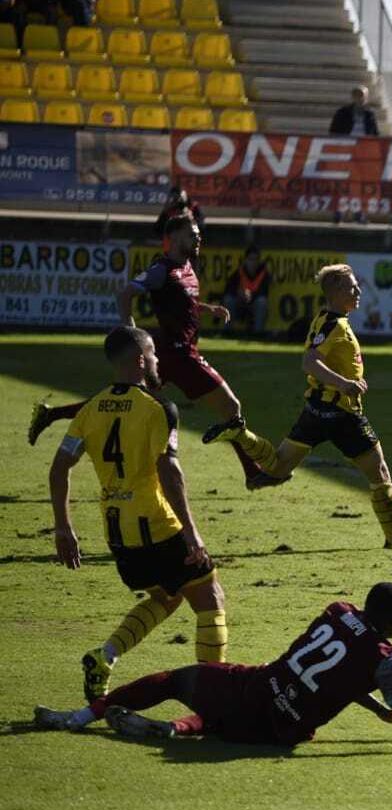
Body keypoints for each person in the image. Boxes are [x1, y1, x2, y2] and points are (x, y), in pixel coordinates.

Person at [35, 583, 392, 751]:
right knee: (227, 726)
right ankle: (177, 731)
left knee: (175, 680)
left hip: (257, 687)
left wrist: (376, 709)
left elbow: (331, 665)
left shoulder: (338, 610)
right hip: (283, 730)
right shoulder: (386, 660)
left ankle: (79, 718)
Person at [47, 326, 228, 705]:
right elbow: (170, 472)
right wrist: (192, 535)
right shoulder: (160, 408)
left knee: (168, 595)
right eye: (154, 354)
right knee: (209, 596)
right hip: (159, 524)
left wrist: (63, 528)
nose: (159, 360)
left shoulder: (90, 408)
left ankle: (105, 656)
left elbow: (60, 466)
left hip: (118, 533)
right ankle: (214, 697)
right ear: (141, 361)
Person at [206, 264, 392, 550]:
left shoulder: (325, 319)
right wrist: (345, 383)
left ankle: (239, 433)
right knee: (379, 473)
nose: (358, 291)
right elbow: (309, 362)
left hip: (315, 410)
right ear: (335, 291)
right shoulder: (333, 324)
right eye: (352, 287)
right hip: (341, 414)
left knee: (277, 467)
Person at [29, 216, 265, 483]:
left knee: (119, 403)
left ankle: (51, 414)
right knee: (230, 407)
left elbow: (183, 302)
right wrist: (131, 333)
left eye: (198, 234)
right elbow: (125, 294)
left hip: (167, 354)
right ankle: (253, 472)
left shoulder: (187, 266)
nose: (198, 238)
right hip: (179, 355)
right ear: (174, 238)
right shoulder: (161, 269)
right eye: (192, 234)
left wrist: (207, 309)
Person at [222, 245, 272, 335]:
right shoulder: (239, 272)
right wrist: (239, 293)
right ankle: (227, 331)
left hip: (254, 306)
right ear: (245, 260)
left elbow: (264, 293)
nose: (253, 262)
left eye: (256, 259)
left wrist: (251, 295)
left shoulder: (264, 274)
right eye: (250, 259)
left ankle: (258, 334)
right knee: (228, 300)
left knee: (262, 302)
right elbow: (228, 289)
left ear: (259, 261)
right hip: (239, 304)